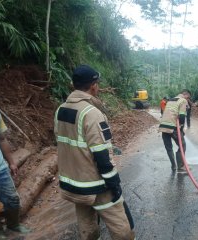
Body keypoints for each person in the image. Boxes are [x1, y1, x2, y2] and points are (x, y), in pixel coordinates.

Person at [54, 65, 135, 240]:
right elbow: (102, 156)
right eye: (97, 83)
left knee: (87, 228)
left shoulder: (60, 110)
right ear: (93, 86)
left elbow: (65, 144)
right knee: (122, 229)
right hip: (95, 186)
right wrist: (114, 183)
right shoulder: (91, 113)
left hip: (74, 184)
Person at [0, 110, 30, 239]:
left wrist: (12, 162)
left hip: (0, 168)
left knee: (12, 199)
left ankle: (13, 225)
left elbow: (2, 139)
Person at [159, 89, 191, 172]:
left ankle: (173, 166)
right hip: (173, 127)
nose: (188, 100)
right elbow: (182, 117)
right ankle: (180, 166)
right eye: (188, 98)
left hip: (163, 127)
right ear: (185, 95)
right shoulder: (183, 100)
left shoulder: (171, 100)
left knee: (169, 148)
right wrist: (181, 129)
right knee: (182, 145)